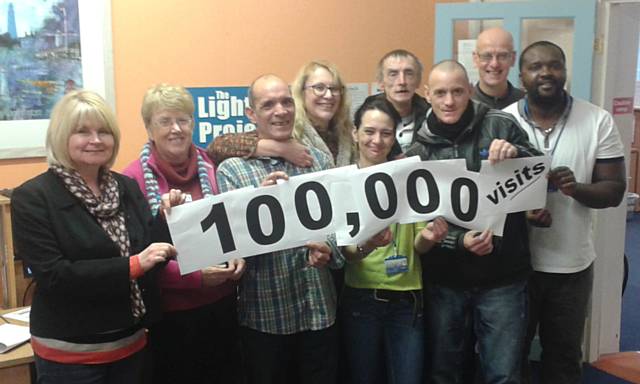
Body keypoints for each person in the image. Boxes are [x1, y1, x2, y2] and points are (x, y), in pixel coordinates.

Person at [11, 90, 177, 384]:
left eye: (104, 132)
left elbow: (153, 254)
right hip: (70, 355)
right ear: (62, 137)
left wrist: (166, 220)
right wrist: (134, 265)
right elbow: (55, 275)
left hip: (132, 344)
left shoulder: (126, 186)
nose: (96, 139)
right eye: (82, 131)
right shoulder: (33, 197)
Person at [406, 60, 540, 384]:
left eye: (456, 91)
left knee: (504, 372)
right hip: (446, 280)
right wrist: (458, 240)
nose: (449, 101)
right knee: (444, 371)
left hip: (503, 277)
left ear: (469, 90)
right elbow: (420, 219)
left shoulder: (499, 124)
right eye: (440, 93)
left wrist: (516, 152)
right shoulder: (417, 149)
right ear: (428, 95)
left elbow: (538, 175)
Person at [503, 41, 626, 384]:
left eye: (554, 65)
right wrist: (524, 212)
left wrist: (576, 189)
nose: (546, 73)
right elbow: (488, 197)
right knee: (511, 357)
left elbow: (614, 191)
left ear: (565, 71)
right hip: (513, 266)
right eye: (535, 66)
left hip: (570, 266)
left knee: (564, 356)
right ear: (521, 75)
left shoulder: (597, 120)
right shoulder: (503, 121)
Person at [216, 74, 344, 384]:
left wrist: (330, 251)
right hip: (265, 317)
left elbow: (340, 231)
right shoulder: (231, 170)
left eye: (286, 102)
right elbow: (230, 249)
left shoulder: (319, 162)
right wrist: (258, 204)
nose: (280, 111)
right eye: (268, 104)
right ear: (251, 114)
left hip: (318, 311)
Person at [122, 84, 245, 384]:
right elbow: (134, 257)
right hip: (170, 317)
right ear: (149, 128)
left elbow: (234, 223)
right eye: (165, 121)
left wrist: (239, 253)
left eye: (183, 120)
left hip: (224, 307)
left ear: (193, 123)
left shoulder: (216, 167)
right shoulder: (131, 179)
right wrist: (195, 277)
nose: (176, 129)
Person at [341, 97, 448, 384]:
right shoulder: (341, 182)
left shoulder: (407, 178)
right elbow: (346, 253)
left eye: (386, 133)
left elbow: (418, 245)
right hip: (361, 299)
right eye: (369, 131)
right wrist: (369, 245)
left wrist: (429, 237)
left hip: (407, 300)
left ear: (395, 137)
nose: (377, 140)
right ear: (355, 133)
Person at [208, 60, 355, 167]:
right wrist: (281, 149)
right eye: (319, 88)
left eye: (334, 88)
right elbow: (218, 147)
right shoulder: (287, 129)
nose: (328, 95)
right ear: (301, 93)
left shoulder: (350, 135)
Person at [363, 49, 430, 154]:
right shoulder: (365, 118)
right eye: (393, 74)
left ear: (418, 81)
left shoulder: (431, 118)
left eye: (409, 73)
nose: (402, 81)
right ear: (381, 82)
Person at [472, 27, 525, 109]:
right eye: (487, 56)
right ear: (475, 59)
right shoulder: (463, 104)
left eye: (502, 56)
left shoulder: (525, 104)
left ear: (513, 58)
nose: (494, 64)